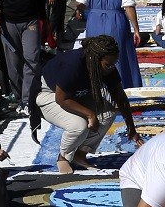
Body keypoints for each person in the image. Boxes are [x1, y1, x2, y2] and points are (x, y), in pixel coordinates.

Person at [34, 35, 140, 174]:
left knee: (107, 113)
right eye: (108, 64)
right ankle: (63, 157)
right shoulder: (72, 64)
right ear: (96, 59)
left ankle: (80, 154)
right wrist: (89, 114)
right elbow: (62, 99)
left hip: (75, 95)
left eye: (113, 64)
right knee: (79, 125)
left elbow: (120, 97)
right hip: (48, 94)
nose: (111, 68)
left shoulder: (105, 65)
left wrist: (131, 128)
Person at [74, 0, 142, 88]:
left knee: (94, 55)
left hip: (94, 21)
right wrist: (136, 29)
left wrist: (79, 11)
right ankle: (121, 86)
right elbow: (129, 7)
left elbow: (80, 1)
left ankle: (94, 85)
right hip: (116, 21)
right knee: (118, 55)